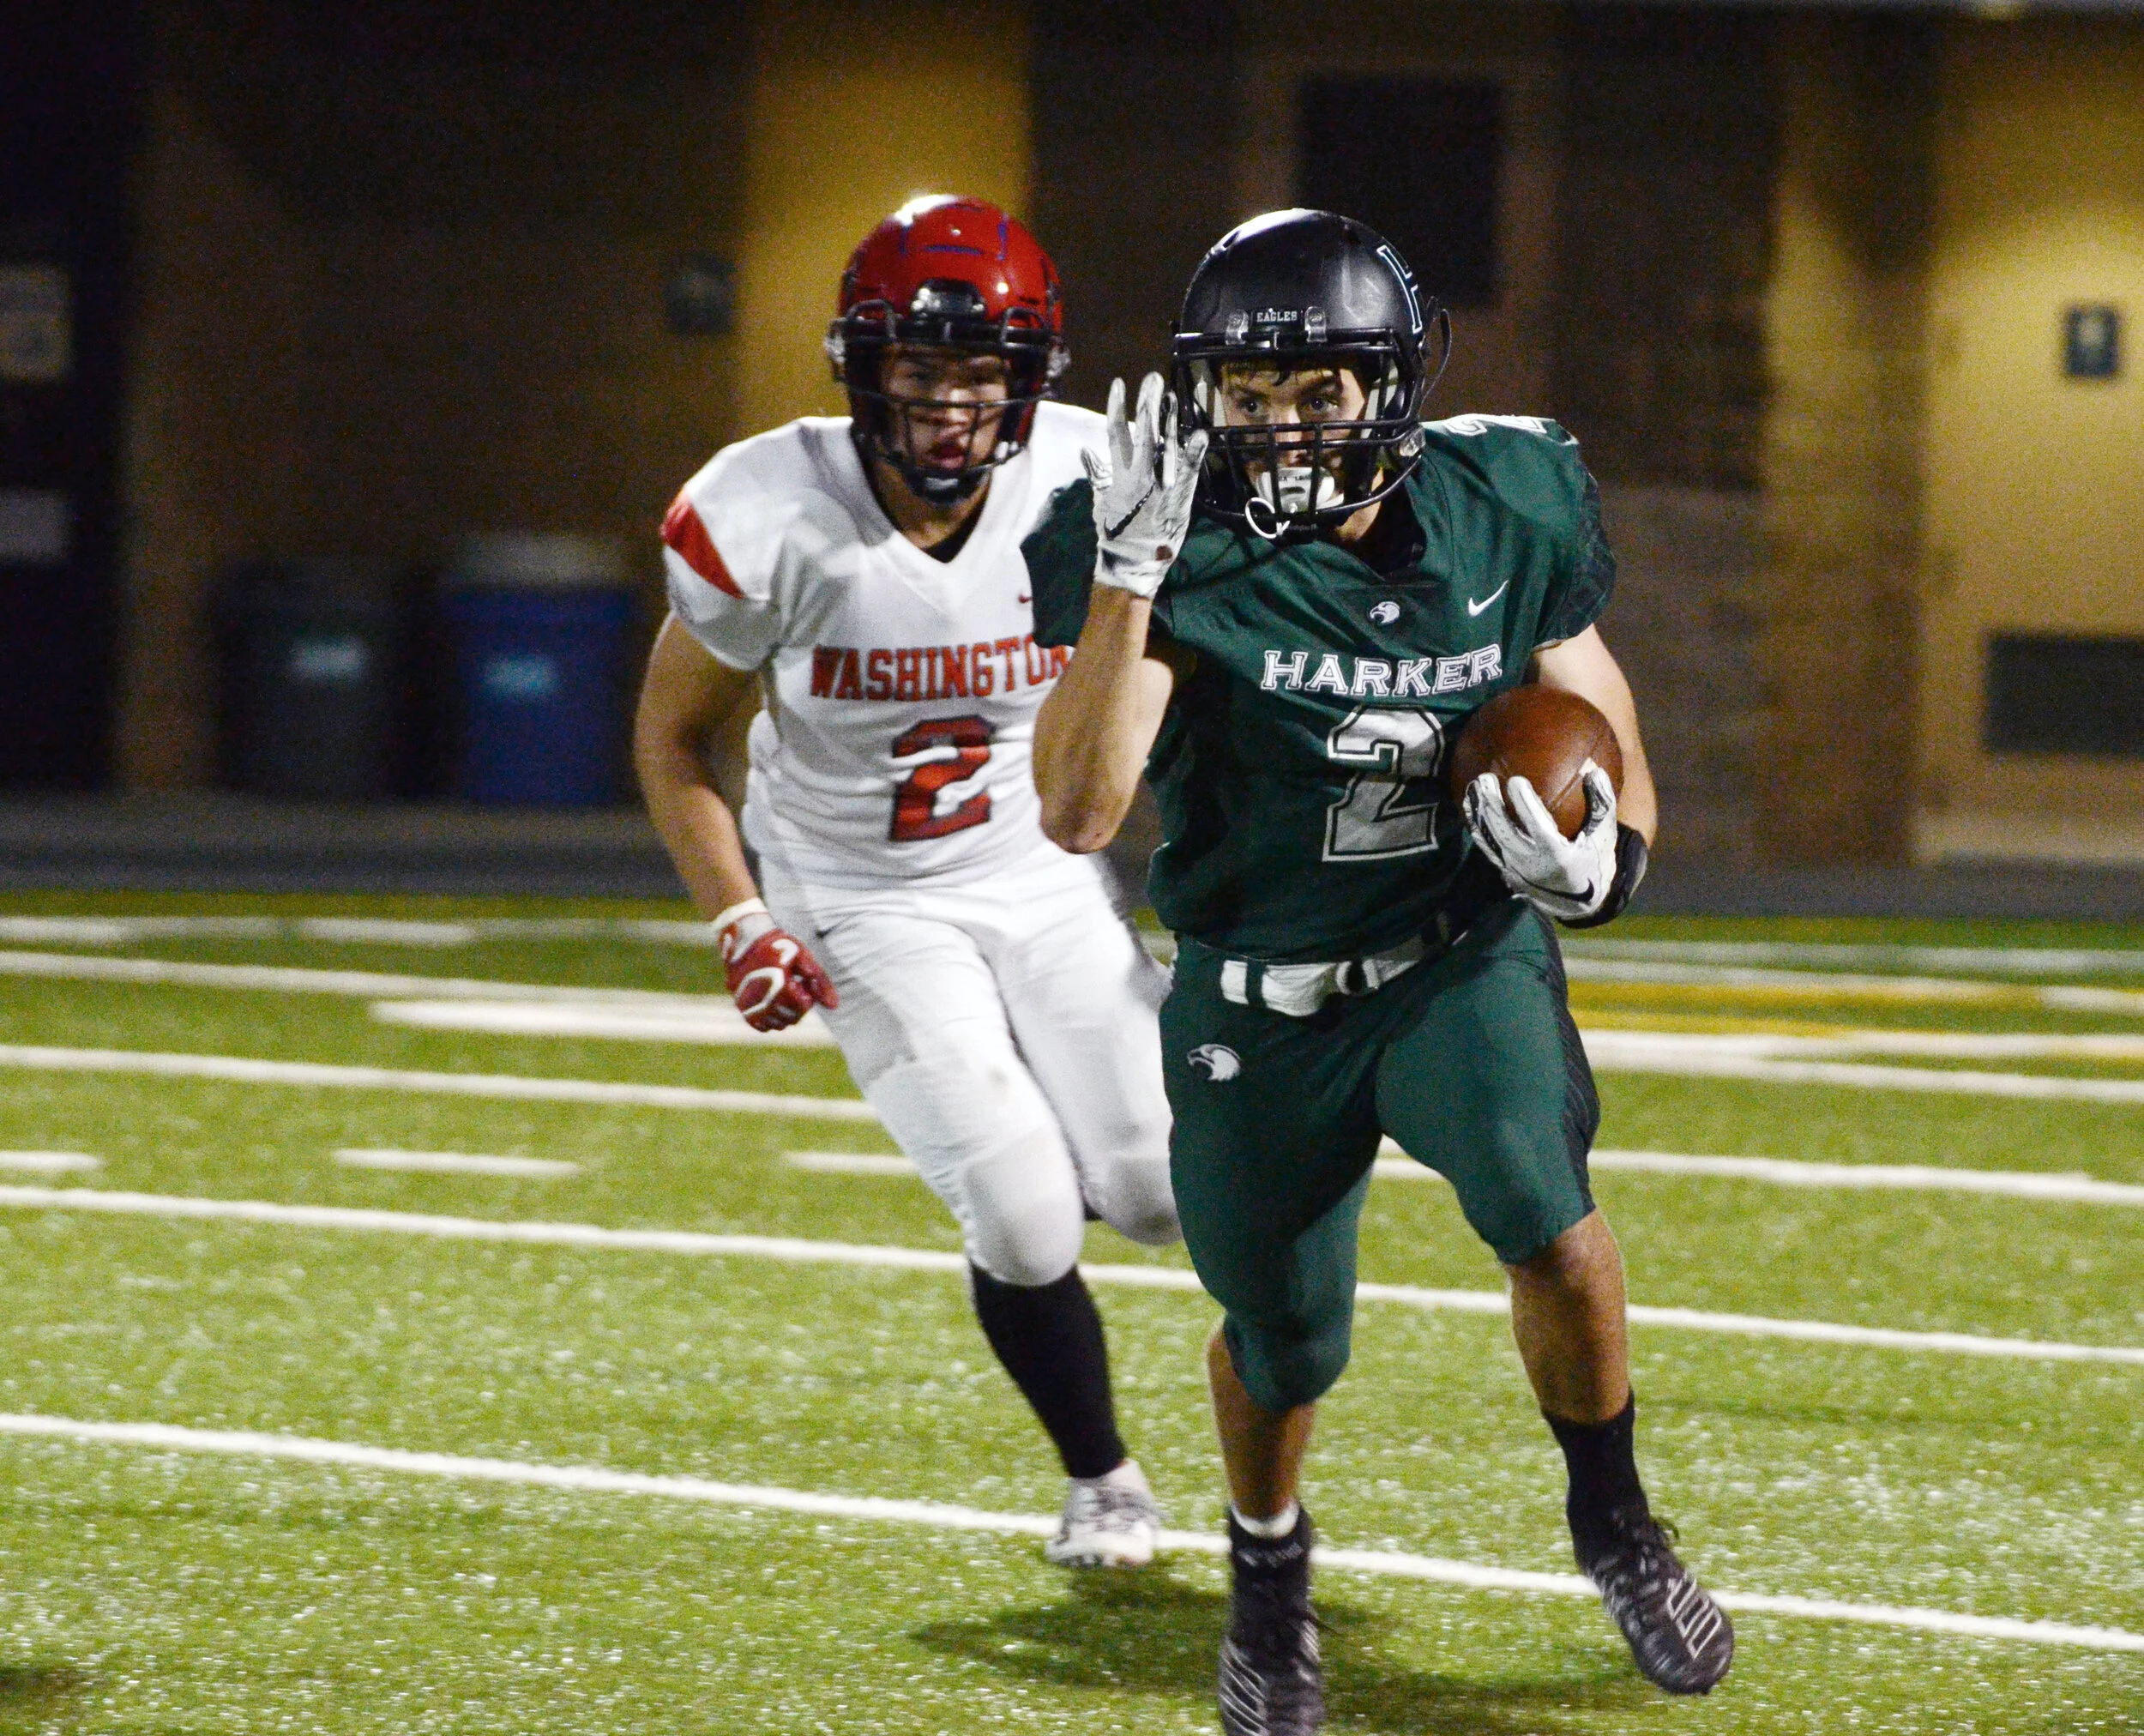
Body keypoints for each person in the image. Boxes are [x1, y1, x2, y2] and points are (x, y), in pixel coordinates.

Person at [1026, 208, 1732, 1732]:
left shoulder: (1504, 502)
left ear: (1396, 385)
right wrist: (1128, 589)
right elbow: (1079, 809)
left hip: (1450, 956)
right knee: (1285, 1336)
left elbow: (1594, 714)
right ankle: (1268, 1574)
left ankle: (1615, 1519)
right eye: (1249, 393)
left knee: (1550, 1225)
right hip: (1259, 993)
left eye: (1320, 389)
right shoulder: (1162, 539)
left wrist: (1612, 865)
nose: (1280, 426)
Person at [636, 195, 1179, 1568]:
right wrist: (742, 915)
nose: (950, 408)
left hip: (1040, 867)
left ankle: (1087, 1138)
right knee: (1019, 1205)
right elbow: (673, 734)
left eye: (983, 375)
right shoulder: (761, 513)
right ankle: (1102, 1475)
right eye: (922, 372)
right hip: (861, 896)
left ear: (1030, 381)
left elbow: (1164, 665)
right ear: (863, 369)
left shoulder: (1087, 476)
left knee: (1166, 1190)